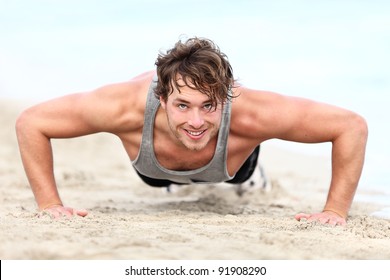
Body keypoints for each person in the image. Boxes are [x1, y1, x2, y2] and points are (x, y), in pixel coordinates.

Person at [15, 37, 368, 225]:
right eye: (182, 105)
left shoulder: (253, 113)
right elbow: (32, 122)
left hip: (231, 165)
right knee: (158, 182)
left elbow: (350, 126)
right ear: (162, 97)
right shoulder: (122, 107)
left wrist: (334, 211)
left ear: (225, 98)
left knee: (238, 177)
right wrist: (50, 205)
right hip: (153, 170)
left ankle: (250, 172)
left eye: (209, 106)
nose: (197, 121)